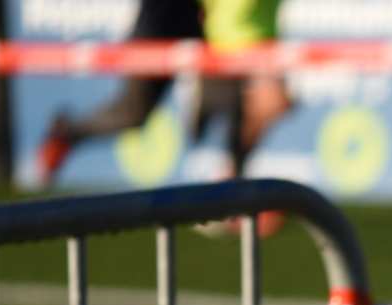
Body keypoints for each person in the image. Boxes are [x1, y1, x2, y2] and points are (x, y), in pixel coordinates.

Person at [34, 0, 290, 195]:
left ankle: (234, 188)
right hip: (167, 12)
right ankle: (67, 133)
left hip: (216, 23)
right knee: (133, 113)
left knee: (250, 100)